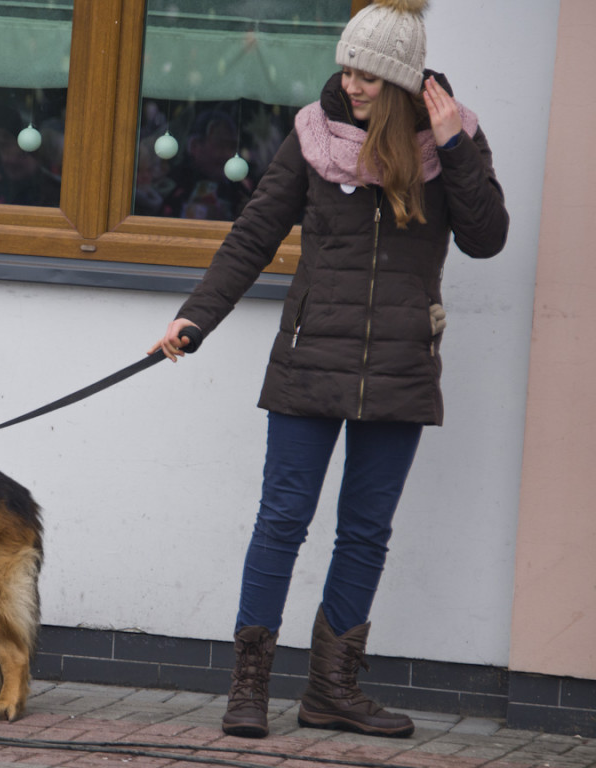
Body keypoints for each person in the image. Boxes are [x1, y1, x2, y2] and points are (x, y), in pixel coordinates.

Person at [150, 0, 508, 740]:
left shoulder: (451, 143)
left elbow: (487, 239)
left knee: (365, 531)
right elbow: (254, 234)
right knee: (281, 522)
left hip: (401, 365)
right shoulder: (313, 138)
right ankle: (248, 685)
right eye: (347, 66)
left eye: (369, 73)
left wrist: (456, 148)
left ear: (402, 79)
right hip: (311, 357)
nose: (351, 82)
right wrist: (196, 317)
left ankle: (331, 691)